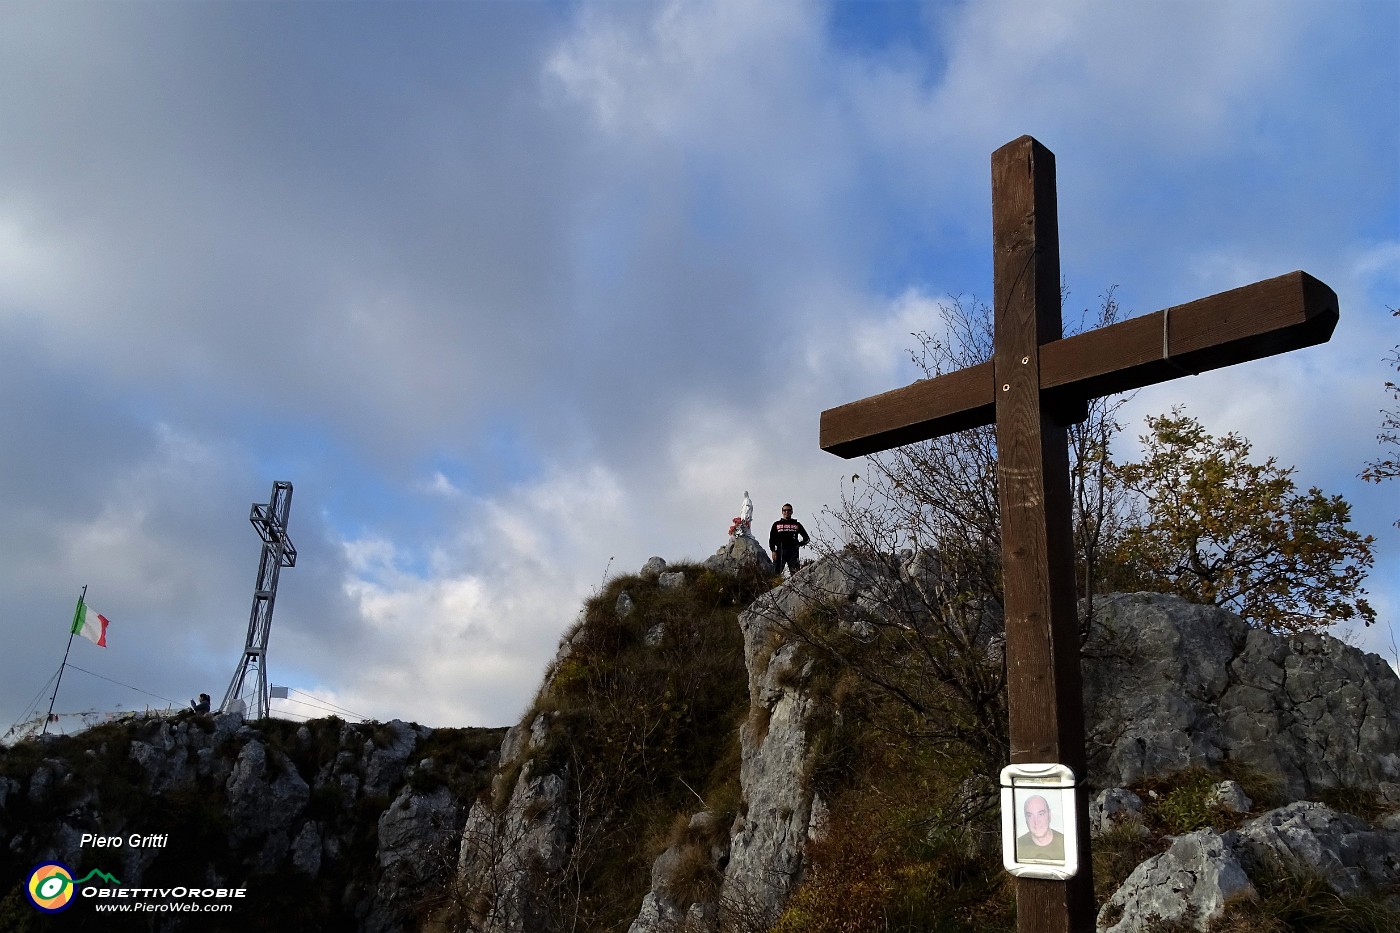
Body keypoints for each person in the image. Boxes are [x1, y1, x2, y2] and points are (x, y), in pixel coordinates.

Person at [1016, 794, 1065, 862]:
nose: (1036, 821)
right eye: (1030, 815)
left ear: (1049, 815)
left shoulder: (1066, 844)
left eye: (1041, 814)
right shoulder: (1016, 848)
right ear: (1026, 819)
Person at [769, 504, 810, 574]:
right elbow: (772, 539)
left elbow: (806, 538)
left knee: (796, 574)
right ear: (782, 512)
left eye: (788, 510)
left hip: (793, 552)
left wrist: (798, 544)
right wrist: (773, 551)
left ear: (792, 512)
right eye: (784, 510)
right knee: (775, 574)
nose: (786, 512)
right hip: (780, 551)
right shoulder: (776, 524)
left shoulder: (797, 524)